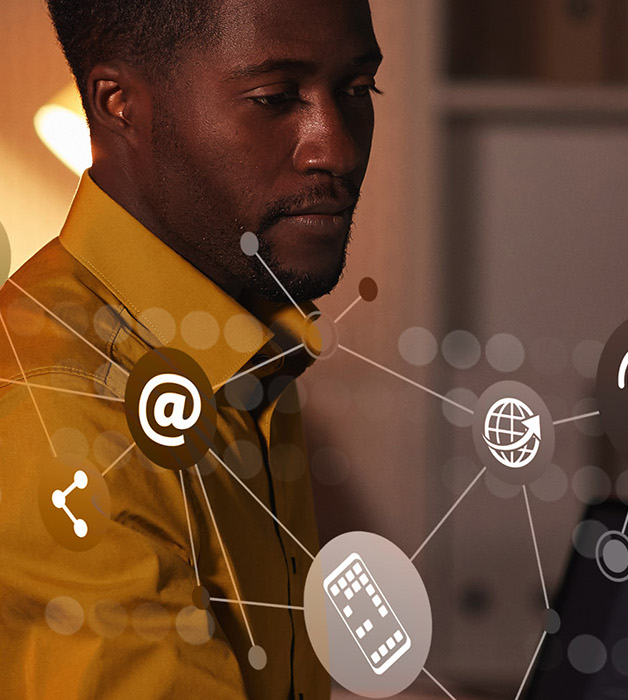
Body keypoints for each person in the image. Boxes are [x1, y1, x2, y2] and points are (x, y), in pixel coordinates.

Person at [0, 0, 381, 696]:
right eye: (275, 98)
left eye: (358, 91)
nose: (337, 148)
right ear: (117, 104)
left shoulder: (248, 348)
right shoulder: (64, 416)